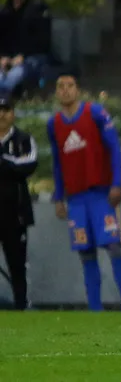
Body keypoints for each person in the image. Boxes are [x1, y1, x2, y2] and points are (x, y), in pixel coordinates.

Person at [47, 71, 121, 312]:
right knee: (85, 252)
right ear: (56, 92)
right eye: (60, 86)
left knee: (113, 246)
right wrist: (58, 196)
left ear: (78, 89)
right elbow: (57, 161)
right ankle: (95, 309)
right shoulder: (53, 124)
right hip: (75, 198)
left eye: (69, 85)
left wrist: (116, 183)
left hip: (101, 194)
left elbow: (114, 148)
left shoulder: (95, 113)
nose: (65, 90)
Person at [0, 93, 37, 310]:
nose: (2, 115)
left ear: (13, 114)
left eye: (6, 110)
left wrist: (4, 162)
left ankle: (21, 305)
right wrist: (11, 166)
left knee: (17, 264)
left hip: (15, 214)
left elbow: (28, 166)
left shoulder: (23, 139)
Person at [0, 0, 52, 95]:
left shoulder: (39, 9)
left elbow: (43, 41)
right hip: (8, 59)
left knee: (10, 80)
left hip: (32, 57)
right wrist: (3, 56)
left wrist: (22, 56)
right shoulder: (4, 11)